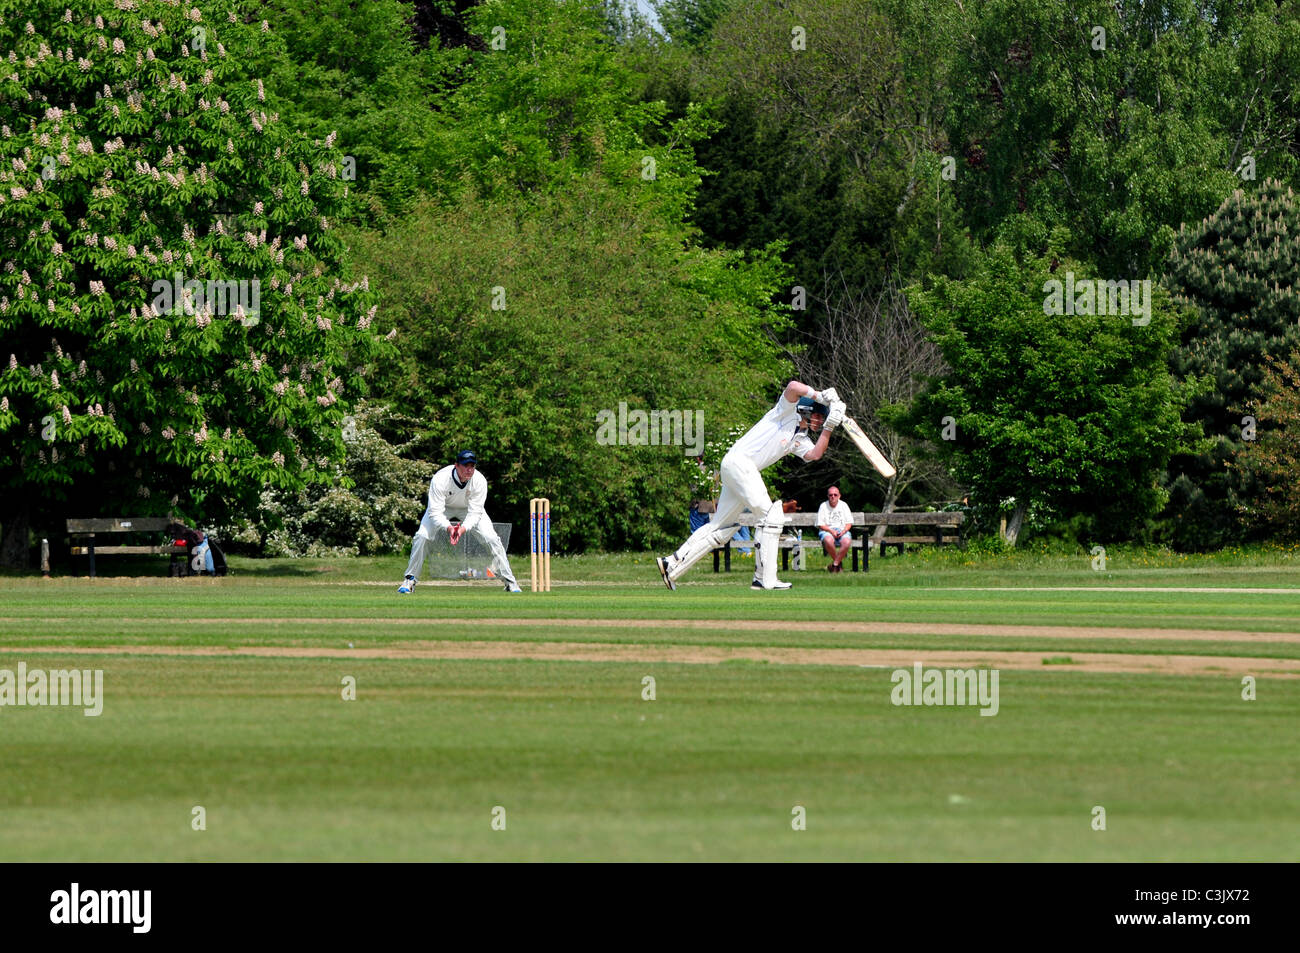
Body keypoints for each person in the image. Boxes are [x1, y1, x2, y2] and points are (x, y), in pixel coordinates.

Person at [657, 381, 846, 591]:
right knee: (771, 516)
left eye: (822, 419)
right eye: (819, 417)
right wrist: (820, 396)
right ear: (807, 410)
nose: (819, 422)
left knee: (720, 528)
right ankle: (765, 579)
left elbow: (815, 454)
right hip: (740, 463)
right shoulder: (785, 412)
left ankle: (671, 563)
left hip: (737, 469)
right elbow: (793, 386)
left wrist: (830, 426)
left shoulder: (799, 438)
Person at [398, 450, 521, 594]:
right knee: (422, 536)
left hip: (468, 510)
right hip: (444, 508)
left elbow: (475, 512)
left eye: (472, 466)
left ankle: (510, 582)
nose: (469, 470)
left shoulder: (479, 480)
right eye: (465, 466)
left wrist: (462, 528)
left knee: (492, 539)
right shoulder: (440, 478)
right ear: (456, 465)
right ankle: (410, 580)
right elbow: (435, 511)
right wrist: (449, 527)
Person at [816, 486, 853, 572]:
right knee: (828, 540)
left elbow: (849, 523)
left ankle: (835, 565)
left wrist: (844, 531)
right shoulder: (823, 506)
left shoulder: (844, 505)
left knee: (847, 542)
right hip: (827, 530)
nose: (833, 496)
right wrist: (831, 531)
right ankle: (839, 565)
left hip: (842, 530)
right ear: (828, 496)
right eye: (830, 495)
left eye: (835, 495)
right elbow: (820, 525)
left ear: (839, 496)